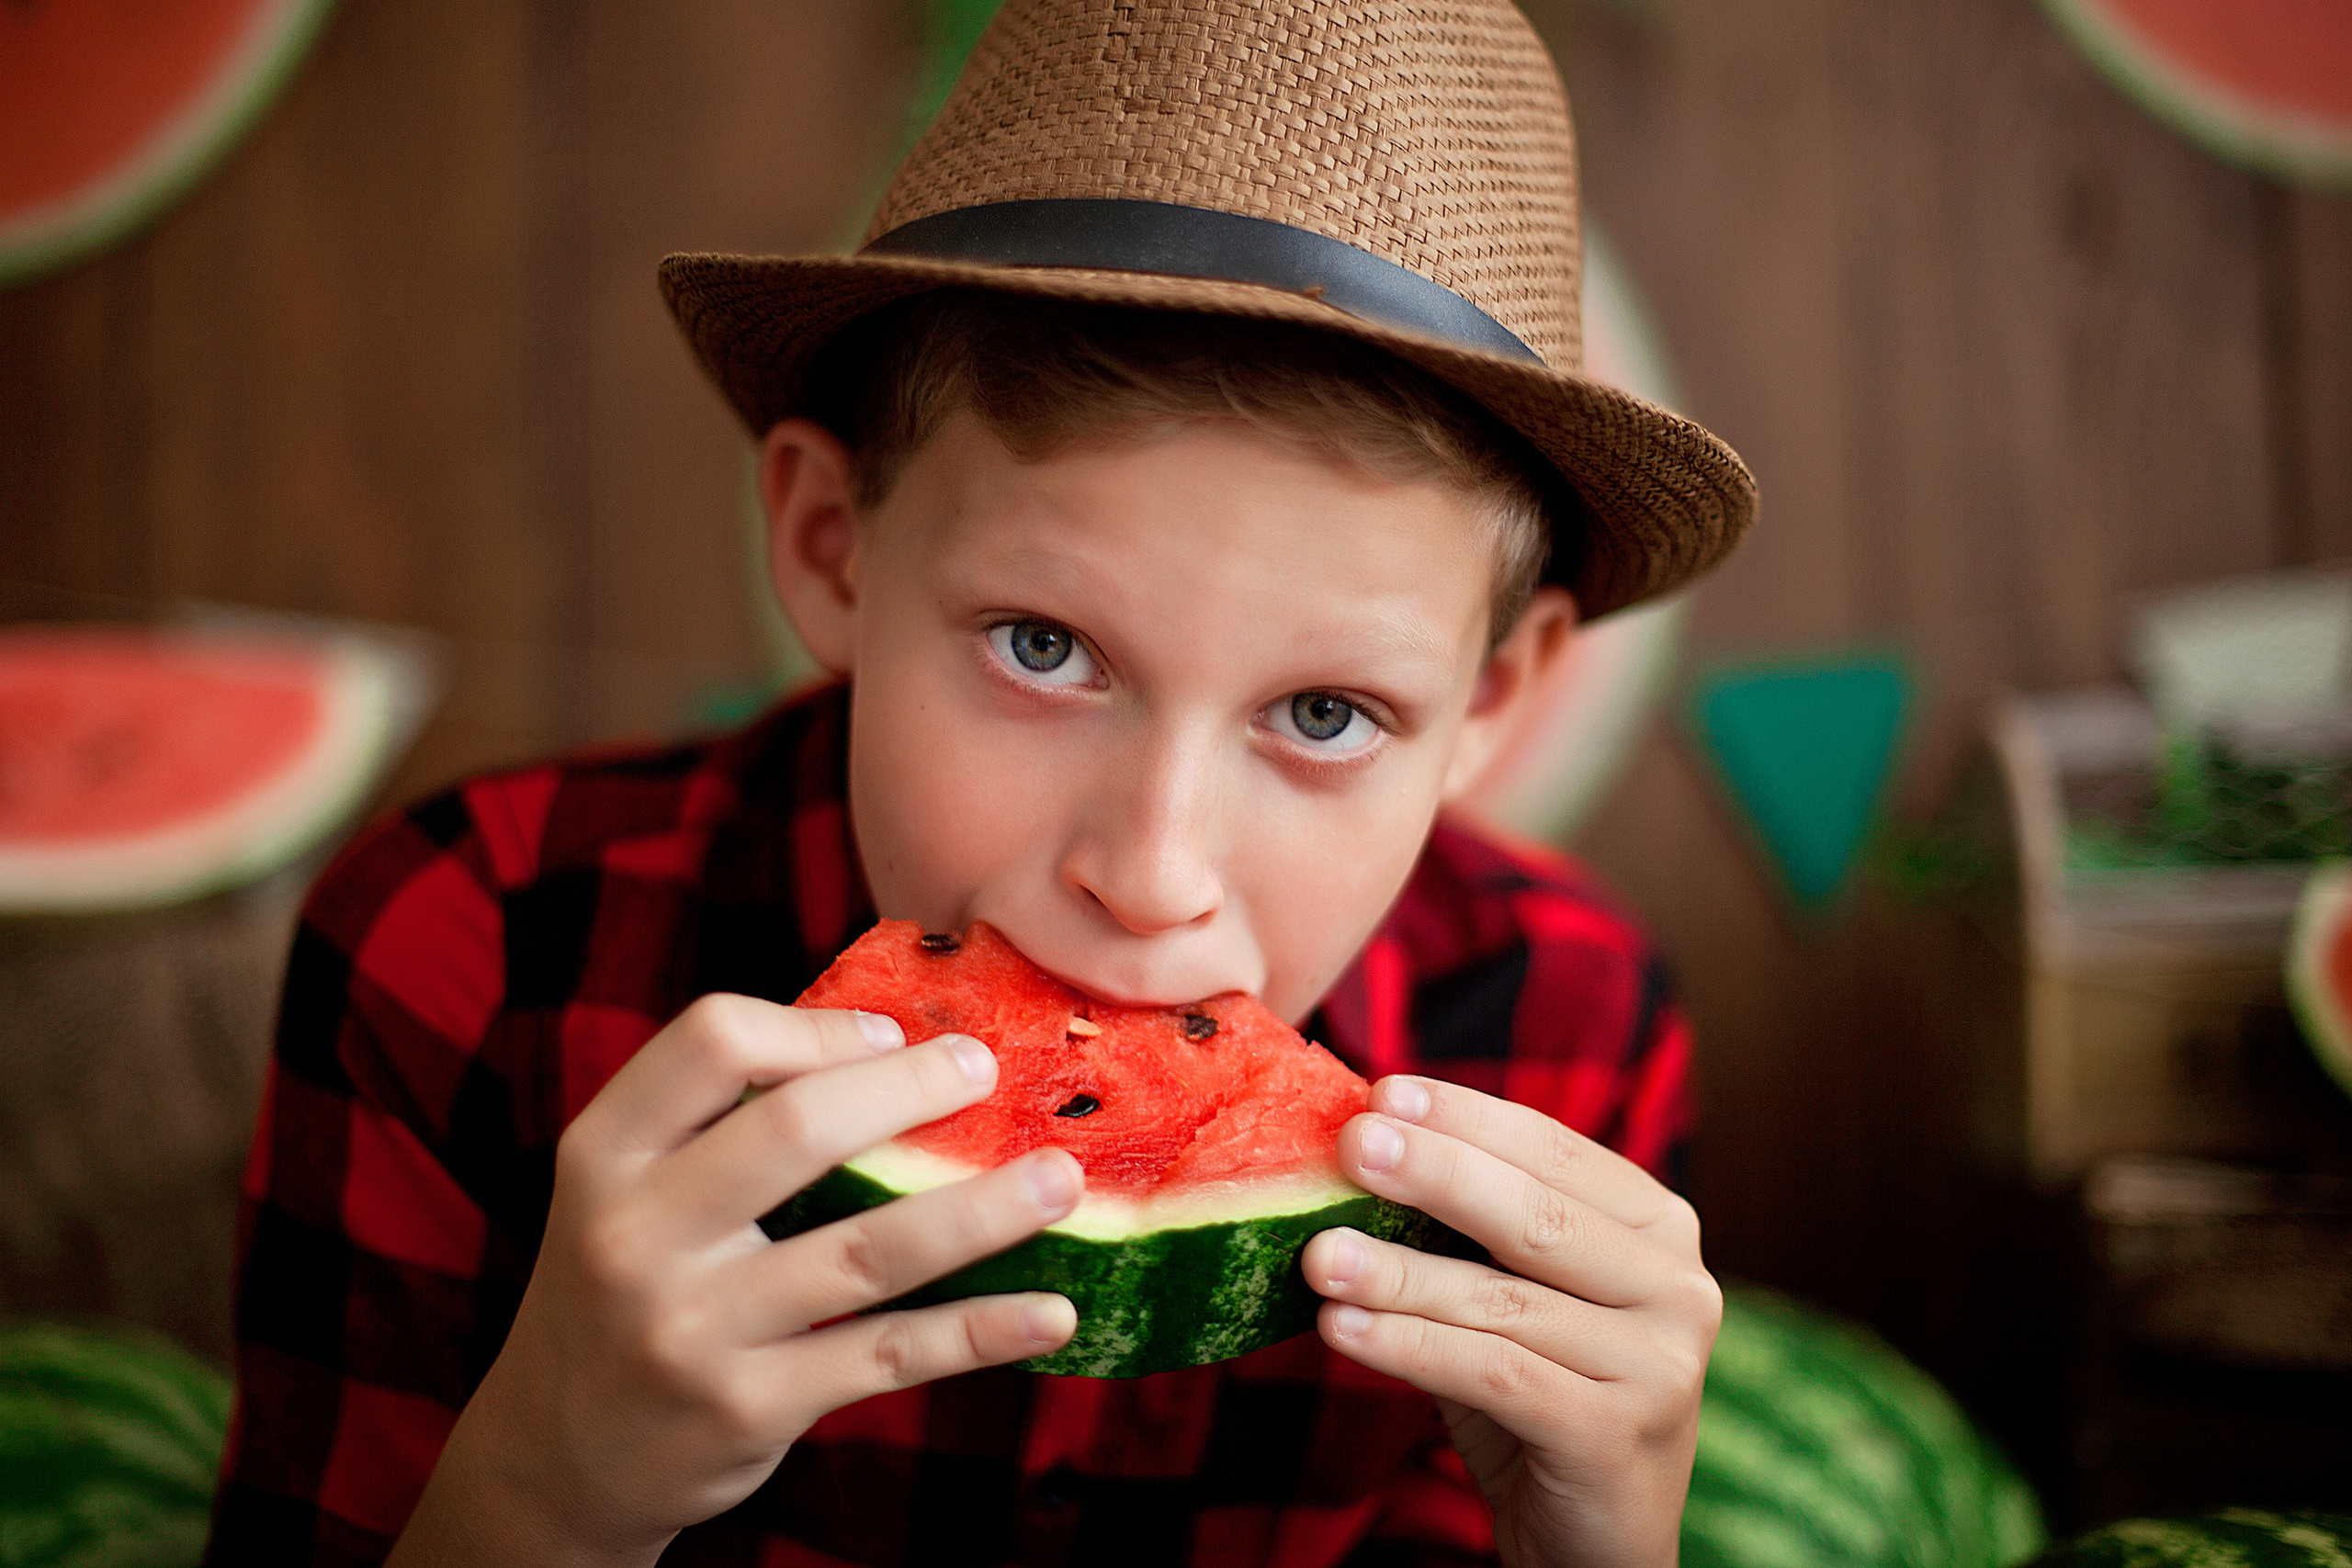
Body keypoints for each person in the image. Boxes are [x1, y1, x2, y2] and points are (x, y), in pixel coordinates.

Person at [204, 1, 1758, 1563]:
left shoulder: (1572, 1026)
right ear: (833, 545)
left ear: (1489, 700)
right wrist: (541, 1499)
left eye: (1326, 713)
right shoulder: (467, 942)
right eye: (1044, 646)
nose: (1150, 875)